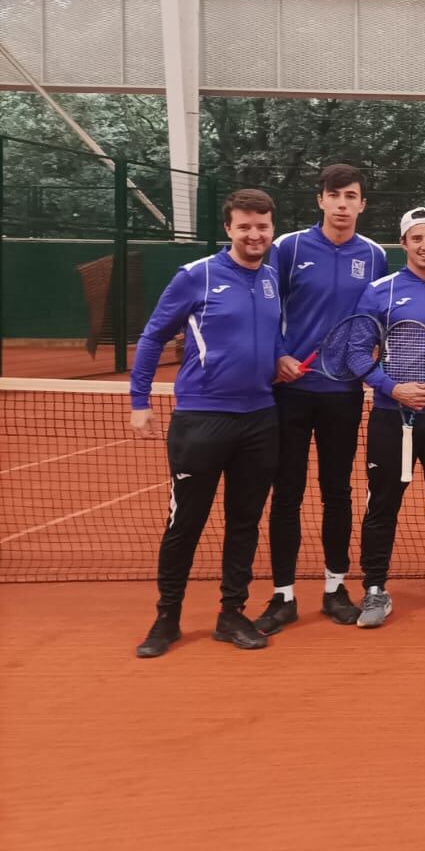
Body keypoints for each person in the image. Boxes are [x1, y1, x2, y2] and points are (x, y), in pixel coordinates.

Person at [130, 189, 283, 658]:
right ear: (229, 229)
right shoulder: (196, 276)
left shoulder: (274, 277)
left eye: (262, 226)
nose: (254, 234)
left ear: (271, 228)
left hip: (260, 418)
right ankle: (167, 618)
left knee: (245, 522)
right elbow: (154, 335)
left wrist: (282, 359)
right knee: (185, 523)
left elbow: (266, 338)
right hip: (201, 420)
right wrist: (139, 400)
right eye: (245, 226)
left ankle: (231, 614)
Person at [253, 164, 388, 635]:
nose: (343, 204)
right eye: (335, 195)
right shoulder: (288, 248)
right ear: (321, 200)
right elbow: (262, 302)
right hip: (290, 392)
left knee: (337, 492)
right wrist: (277, 355)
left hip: (343, 393)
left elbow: (387, 310)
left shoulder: (373, 256)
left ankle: (335, 588)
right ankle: (283, 596)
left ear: (362, 204)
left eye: (352, 196)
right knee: (286, 494)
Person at [351, 207, 425, 628]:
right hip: (391, 418)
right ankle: (373, 589)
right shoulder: (379, 291)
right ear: (403, 244)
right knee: (382, 505)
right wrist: (392, 387)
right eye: (416, 238)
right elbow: (354, 354)